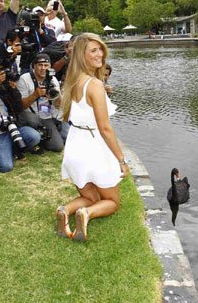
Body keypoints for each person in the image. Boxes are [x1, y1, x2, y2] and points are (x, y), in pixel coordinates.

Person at [55, 33, 130, 242]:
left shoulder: (71, 81)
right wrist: (121, 161)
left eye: (100, 49)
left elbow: (65, 112)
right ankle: (85, 214)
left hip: (75, 145)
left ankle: (65, 210)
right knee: (112, 202)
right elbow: (105, 129)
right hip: (92, 147)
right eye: (93, 51)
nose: (100, 54)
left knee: (90, 197)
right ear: (82, 56)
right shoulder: (95, 85)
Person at [17, 53, 68, 153]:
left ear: (50, 66)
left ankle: (41, 138)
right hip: (28, 116)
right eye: (40, 65)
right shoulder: (24, 79)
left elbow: (59, 106)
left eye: (46, 65)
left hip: (46, 116)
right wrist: (35, 95)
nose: (43, 68)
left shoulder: (53, 79)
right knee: (33, 120)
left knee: (57, 146)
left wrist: (56, 97)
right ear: (34, 66)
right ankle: (31, 135)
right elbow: (20, 106)